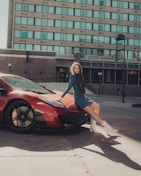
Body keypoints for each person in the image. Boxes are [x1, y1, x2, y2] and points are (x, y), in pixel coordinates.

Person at [58, 62, 118, 135]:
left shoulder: (80, 76)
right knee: (92, 113)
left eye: (78, 68)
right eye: (75, 68)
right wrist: (61, 97)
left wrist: (85, 96)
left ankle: (92, 126)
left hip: (84, 97)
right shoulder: (73, 77)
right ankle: (108, 128)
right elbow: (68, 88)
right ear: (73, 69)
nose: (77, 69)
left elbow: (82, 88)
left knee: (97, 106)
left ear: (80, 69)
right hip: (79, 99)